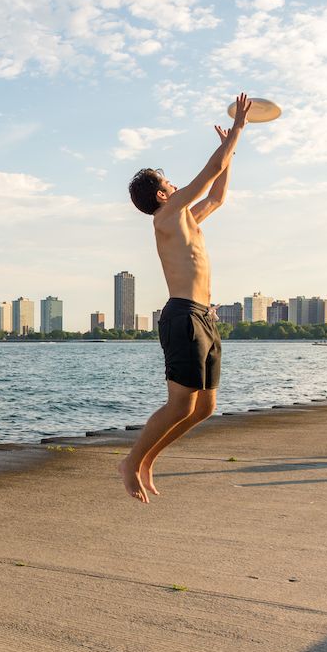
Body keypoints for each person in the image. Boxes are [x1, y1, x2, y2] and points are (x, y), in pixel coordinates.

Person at [119, 93, 252, 503]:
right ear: (162, 195)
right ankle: (131, 461)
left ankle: (147, 459)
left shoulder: (186, 220)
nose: (175, 186)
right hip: (182, 316)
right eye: (170, 184)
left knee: (205, 408)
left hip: (204, 318)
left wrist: (231, 151)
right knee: (180, 404)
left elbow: (217, 195)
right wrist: (236, 134)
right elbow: (209, 173)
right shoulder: (167, 215)